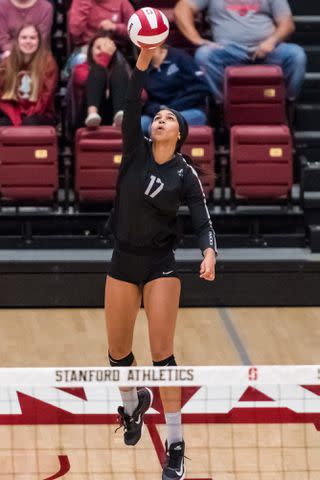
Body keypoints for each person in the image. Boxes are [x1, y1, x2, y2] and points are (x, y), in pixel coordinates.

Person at [105, 47, 217, 480]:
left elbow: (203, 221)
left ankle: (175, 443)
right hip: (123, 259)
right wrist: (142, 61)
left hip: (160, 265)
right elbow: (133, 100)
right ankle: (133, 407)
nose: (161, 118)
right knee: (117, 354)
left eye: (170, 117)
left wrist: (209, 251)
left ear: (179, 133)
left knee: (162, 355)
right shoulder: (135, 149)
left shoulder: (185, 175)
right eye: (160, 115)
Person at [174, 0, 307, 105]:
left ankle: (287, 103)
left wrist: (271, 42)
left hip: (267, 48)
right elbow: (181, 9)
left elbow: (287, 23)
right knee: (204, 55)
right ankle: (222, 105)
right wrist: (195, 38)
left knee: (296, 55)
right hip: (228, 50)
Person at [141, 44, 211, 135]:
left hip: (190, 109)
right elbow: (148, 102)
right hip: (160, 113)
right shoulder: (143, 68)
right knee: (139, 125)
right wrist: (158, 109)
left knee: (157, 127)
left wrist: (171, 109)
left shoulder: (180, 57)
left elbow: (201, 89)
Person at [67, 31, 130, 130]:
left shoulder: (122, 70)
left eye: (106, 47)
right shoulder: (81, 68)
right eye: (98, 48)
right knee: (98, 70)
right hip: (86, 118)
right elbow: (85, 80)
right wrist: (105, 57)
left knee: (119, 71)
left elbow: (142, 94)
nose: (102, 51)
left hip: (114, 117)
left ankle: (120, 116)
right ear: (90, 50)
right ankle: (92, 113)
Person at [0, 24, 58, 126]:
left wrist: (25, 117)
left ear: (39, 41)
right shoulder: (6, 63)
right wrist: (15, 116)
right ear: (17, 41)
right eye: (24, 37)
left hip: (41, 112)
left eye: (32, 38)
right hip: (13, 111)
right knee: (4, 123)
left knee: (29, 122)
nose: (28, 41)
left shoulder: (48, 63)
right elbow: (2, 96)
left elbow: (46, 97)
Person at [65, 0, 134, 75]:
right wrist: (85, 4)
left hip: (113, 47)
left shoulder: (122, 2)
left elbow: (134, 30)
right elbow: (75, 32)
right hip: (86, 47)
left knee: (120, 70)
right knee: (79, 64)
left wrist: (115, 27)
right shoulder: (81, 1)